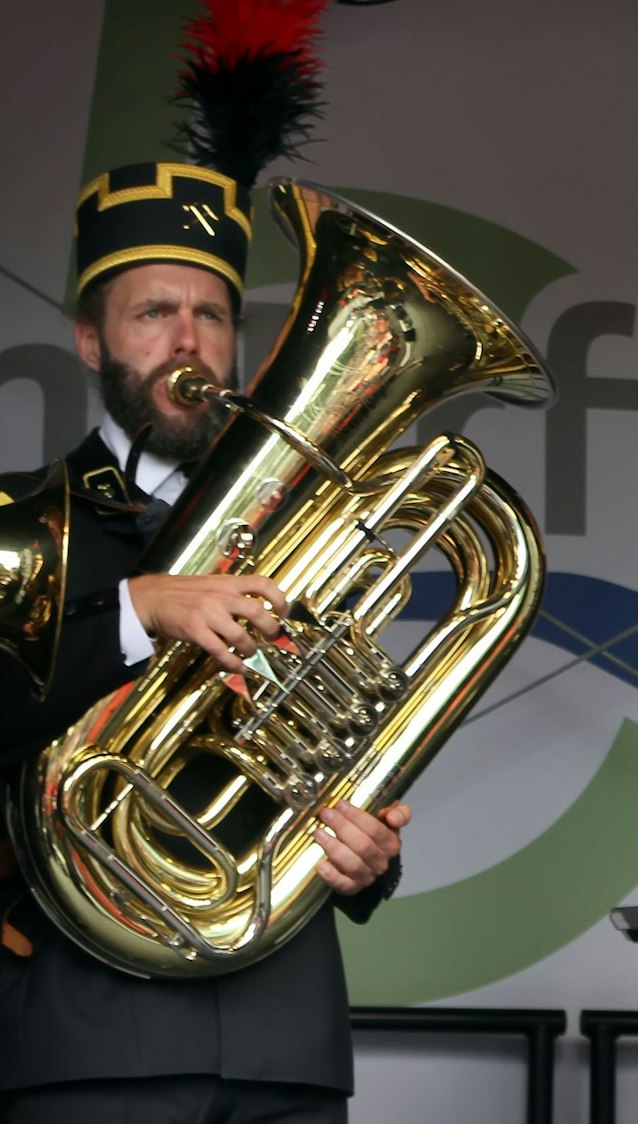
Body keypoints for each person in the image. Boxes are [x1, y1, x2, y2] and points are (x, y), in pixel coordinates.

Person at [0, 160, 408, 1124]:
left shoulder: (303, 532)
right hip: (83, 1034)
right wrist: (135, 610)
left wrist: (366, 854)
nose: (187, 339)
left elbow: (331, 743)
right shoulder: (18, 522)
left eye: (212, 315)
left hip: (285, 1036)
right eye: (153, 313)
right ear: (91, 341)